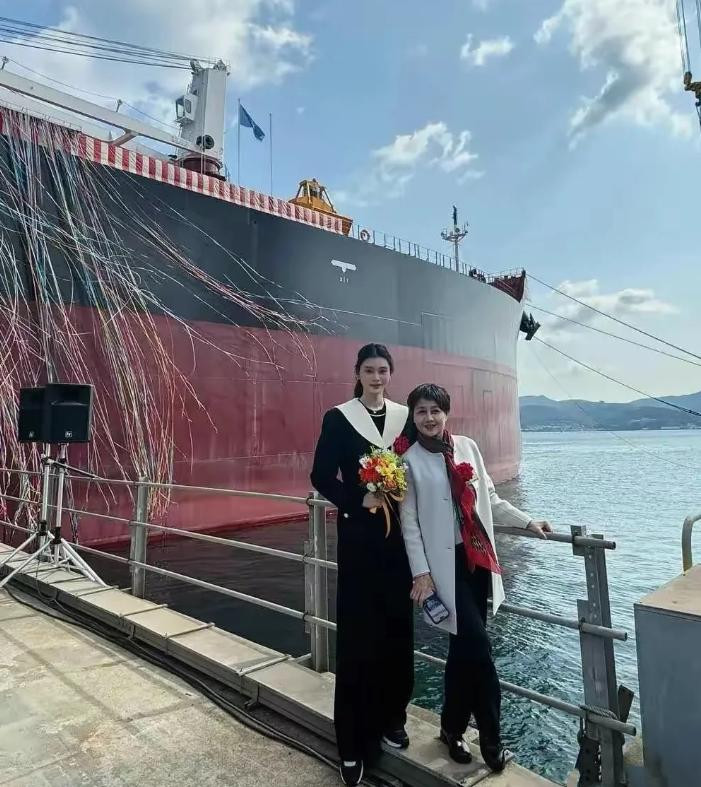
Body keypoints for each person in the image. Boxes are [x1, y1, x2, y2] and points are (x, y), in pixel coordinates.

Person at [398, 383, 552, 772]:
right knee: (479, 647)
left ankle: (451, 729)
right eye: (421, 411)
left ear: (446, 413)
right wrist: (421, 573)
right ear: (413, 417)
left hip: (477, 561)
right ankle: (492, 738)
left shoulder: (468, 446)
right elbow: (409, 523)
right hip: (444, 568)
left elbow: (491, 500)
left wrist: (527, 521)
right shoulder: (408, 461)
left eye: (435, 410)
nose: (429, 418)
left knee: (463, 652)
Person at [310, 343, 414, 787]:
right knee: (357, 635)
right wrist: (358, 499)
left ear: (391, 374)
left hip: (400, 543)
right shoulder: (339, 418)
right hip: (358, 541)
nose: (376, 377)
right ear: (357, 373)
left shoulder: (405, 418)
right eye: (369, 370)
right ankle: (351, 743)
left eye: (383, 370)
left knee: (397, 629)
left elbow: (417, 467)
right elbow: (320, 475)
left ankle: (393, 717)